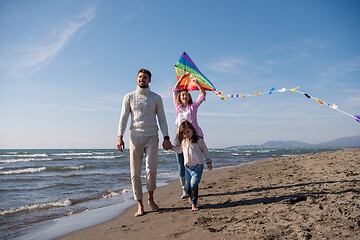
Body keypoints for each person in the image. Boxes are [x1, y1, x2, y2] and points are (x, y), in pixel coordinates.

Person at [117, 68, 172, 217]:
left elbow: (161, 118)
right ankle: (140, 204)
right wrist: (119, 136)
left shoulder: (156, 98)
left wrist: (166, 137)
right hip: (135, 137)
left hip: (152, 136)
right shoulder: (128, 97)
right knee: (135, 173)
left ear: (150, 80)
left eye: (145, 77)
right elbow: (124, 117)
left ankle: (151, 198)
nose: (142, 79)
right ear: (137, 79)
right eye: (140, 77)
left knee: (151, 169)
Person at [172, 72, 207, 198]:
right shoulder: (178, 107)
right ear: (180, 98)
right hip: (180, 138)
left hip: (194, 137)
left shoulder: (193, 107)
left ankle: (193, 184)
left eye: (186, 95)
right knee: (181, 164)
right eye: (182, 95)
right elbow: (175, 90)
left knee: (193, 162)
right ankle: (184, 190)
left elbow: (203, 94)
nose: (184, 97)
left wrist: (197, 83)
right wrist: (182, 78)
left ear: (189, 96)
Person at [170, 120, 212, 211]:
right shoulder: (183, 142)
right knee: (188, 186)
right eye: (184, 133)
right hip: (187, 168)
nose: (187, 134)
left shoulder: (199, 141)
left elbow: (205, 151)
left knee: (194, 184)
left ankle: (194, 204)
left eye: (188, 132)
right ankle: (190, 198)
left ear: (192, 130)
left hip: (198, 167)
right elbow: (179, 150)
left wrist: (208, 161)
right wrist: (171, 147)